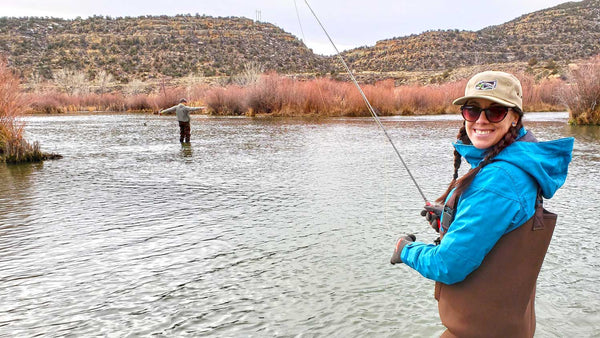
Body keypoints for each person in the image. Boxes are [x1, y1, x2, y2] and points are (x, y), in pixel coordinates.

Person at [390, 71, 574, 337]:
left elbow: (448, 265)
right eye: (472, 111)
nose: (481, 120)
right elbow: (501, 229)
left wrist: (405, 250)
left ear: (514, 118)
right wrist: (449, 218)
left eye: (495, 112)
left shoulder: (497, 180)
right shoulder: (521, 165)